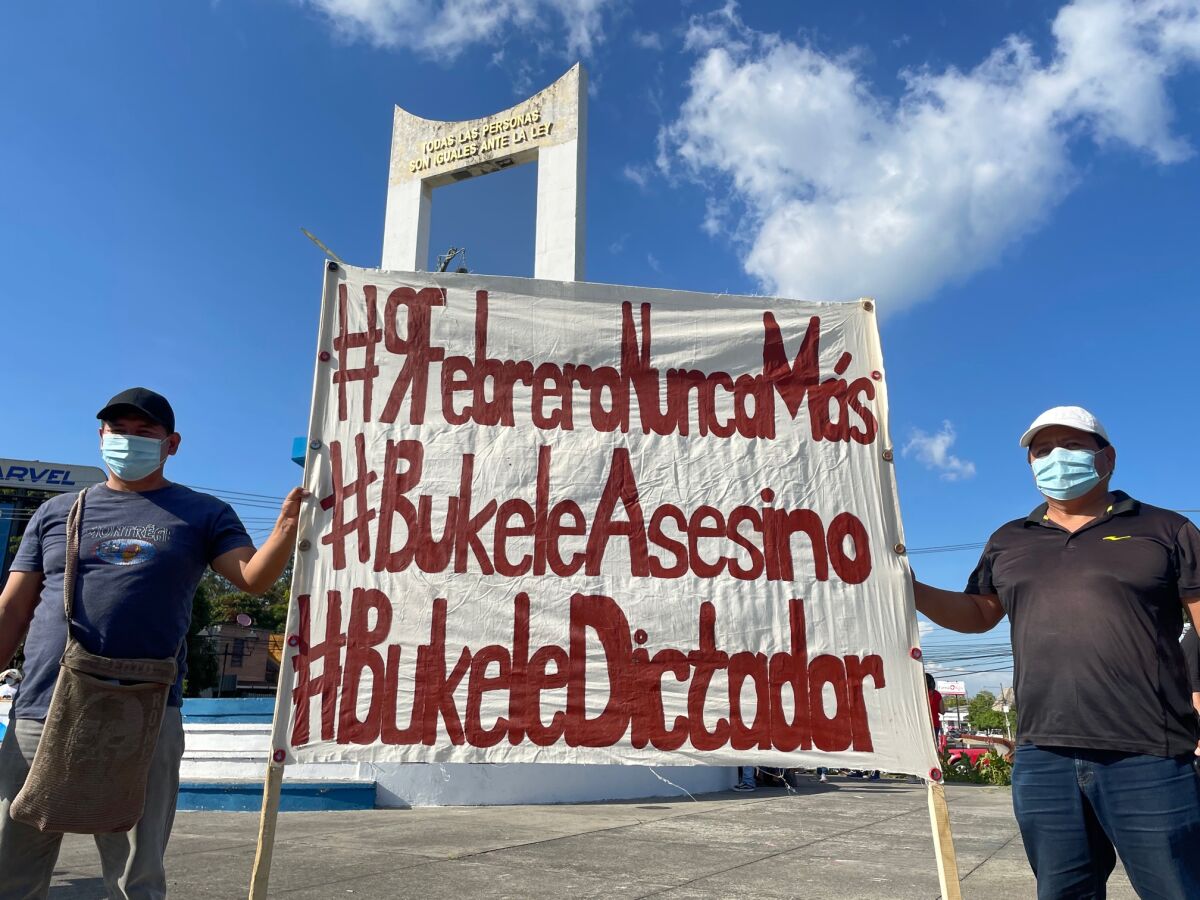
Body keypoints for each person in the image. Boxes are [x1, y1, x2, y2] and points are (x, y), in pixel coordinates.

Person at [0, 388, 305, 900]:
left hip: (145, 712)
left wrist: (287, 528)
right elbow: (13, 607)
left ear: (172, 444)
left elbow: (251, 579)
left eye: (145, 433)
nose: (129, 442)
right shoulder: (57, 511)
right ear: (101, 437)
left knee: (134, 876)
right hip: (41, 707)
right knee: (14, 864)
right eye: (119, 431)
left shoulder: (203, 513)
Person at [914, 405, 1200, 899]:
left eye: (1070, 446)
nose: (1055, 459)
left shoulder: (1166, 530)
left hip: (1150, 754)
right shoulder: (1009, 540)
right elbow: (980, 613)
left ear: (1105, 457)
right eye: (1042, 451)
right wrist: (910, 587)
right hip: (1042, 756)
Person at [926, 673, 944, 744]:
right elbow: (942, 711)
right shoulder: (937, 694)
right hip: (934, 724)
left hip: (921, 724)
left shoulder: (919, 693)